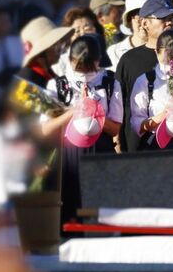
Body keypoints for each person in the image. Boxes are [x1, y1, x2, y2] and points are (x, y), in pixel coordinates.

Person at [39, 35, 124, 228]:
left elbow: (115, 128)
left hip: (100, 152)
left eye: (89, 68)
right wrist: (74, 111)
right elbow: (46, 128)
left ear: (98, 61)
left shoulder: (110, 82)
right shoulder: (57, 85)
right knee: (69, 214)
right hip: (68, 155)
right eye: (79, 68)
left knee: (100, 214)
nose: (85, 73)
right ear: (70, 61)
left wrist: (94, 113)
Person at [116, 0, 173, 152]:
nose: (169, 23)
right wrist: (118, 143)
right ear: (144, 23)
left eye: (172, 18)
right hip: (142, 146)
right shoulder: (129, 60)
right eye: (163, 18)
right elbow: (118, 104)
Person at [15, 17, 72, 88]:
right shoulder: (28, 79)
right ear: (42, 51)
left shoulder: (50, 74)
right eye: (55, 44)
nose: (60, 48)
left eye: (59, 43)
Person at [106, 0, 155, 71]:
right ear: (129, 20)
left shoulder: (165, 51)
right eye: (139, 17)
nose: (144, 22)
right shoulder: (115, 52)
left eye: (149, 16)